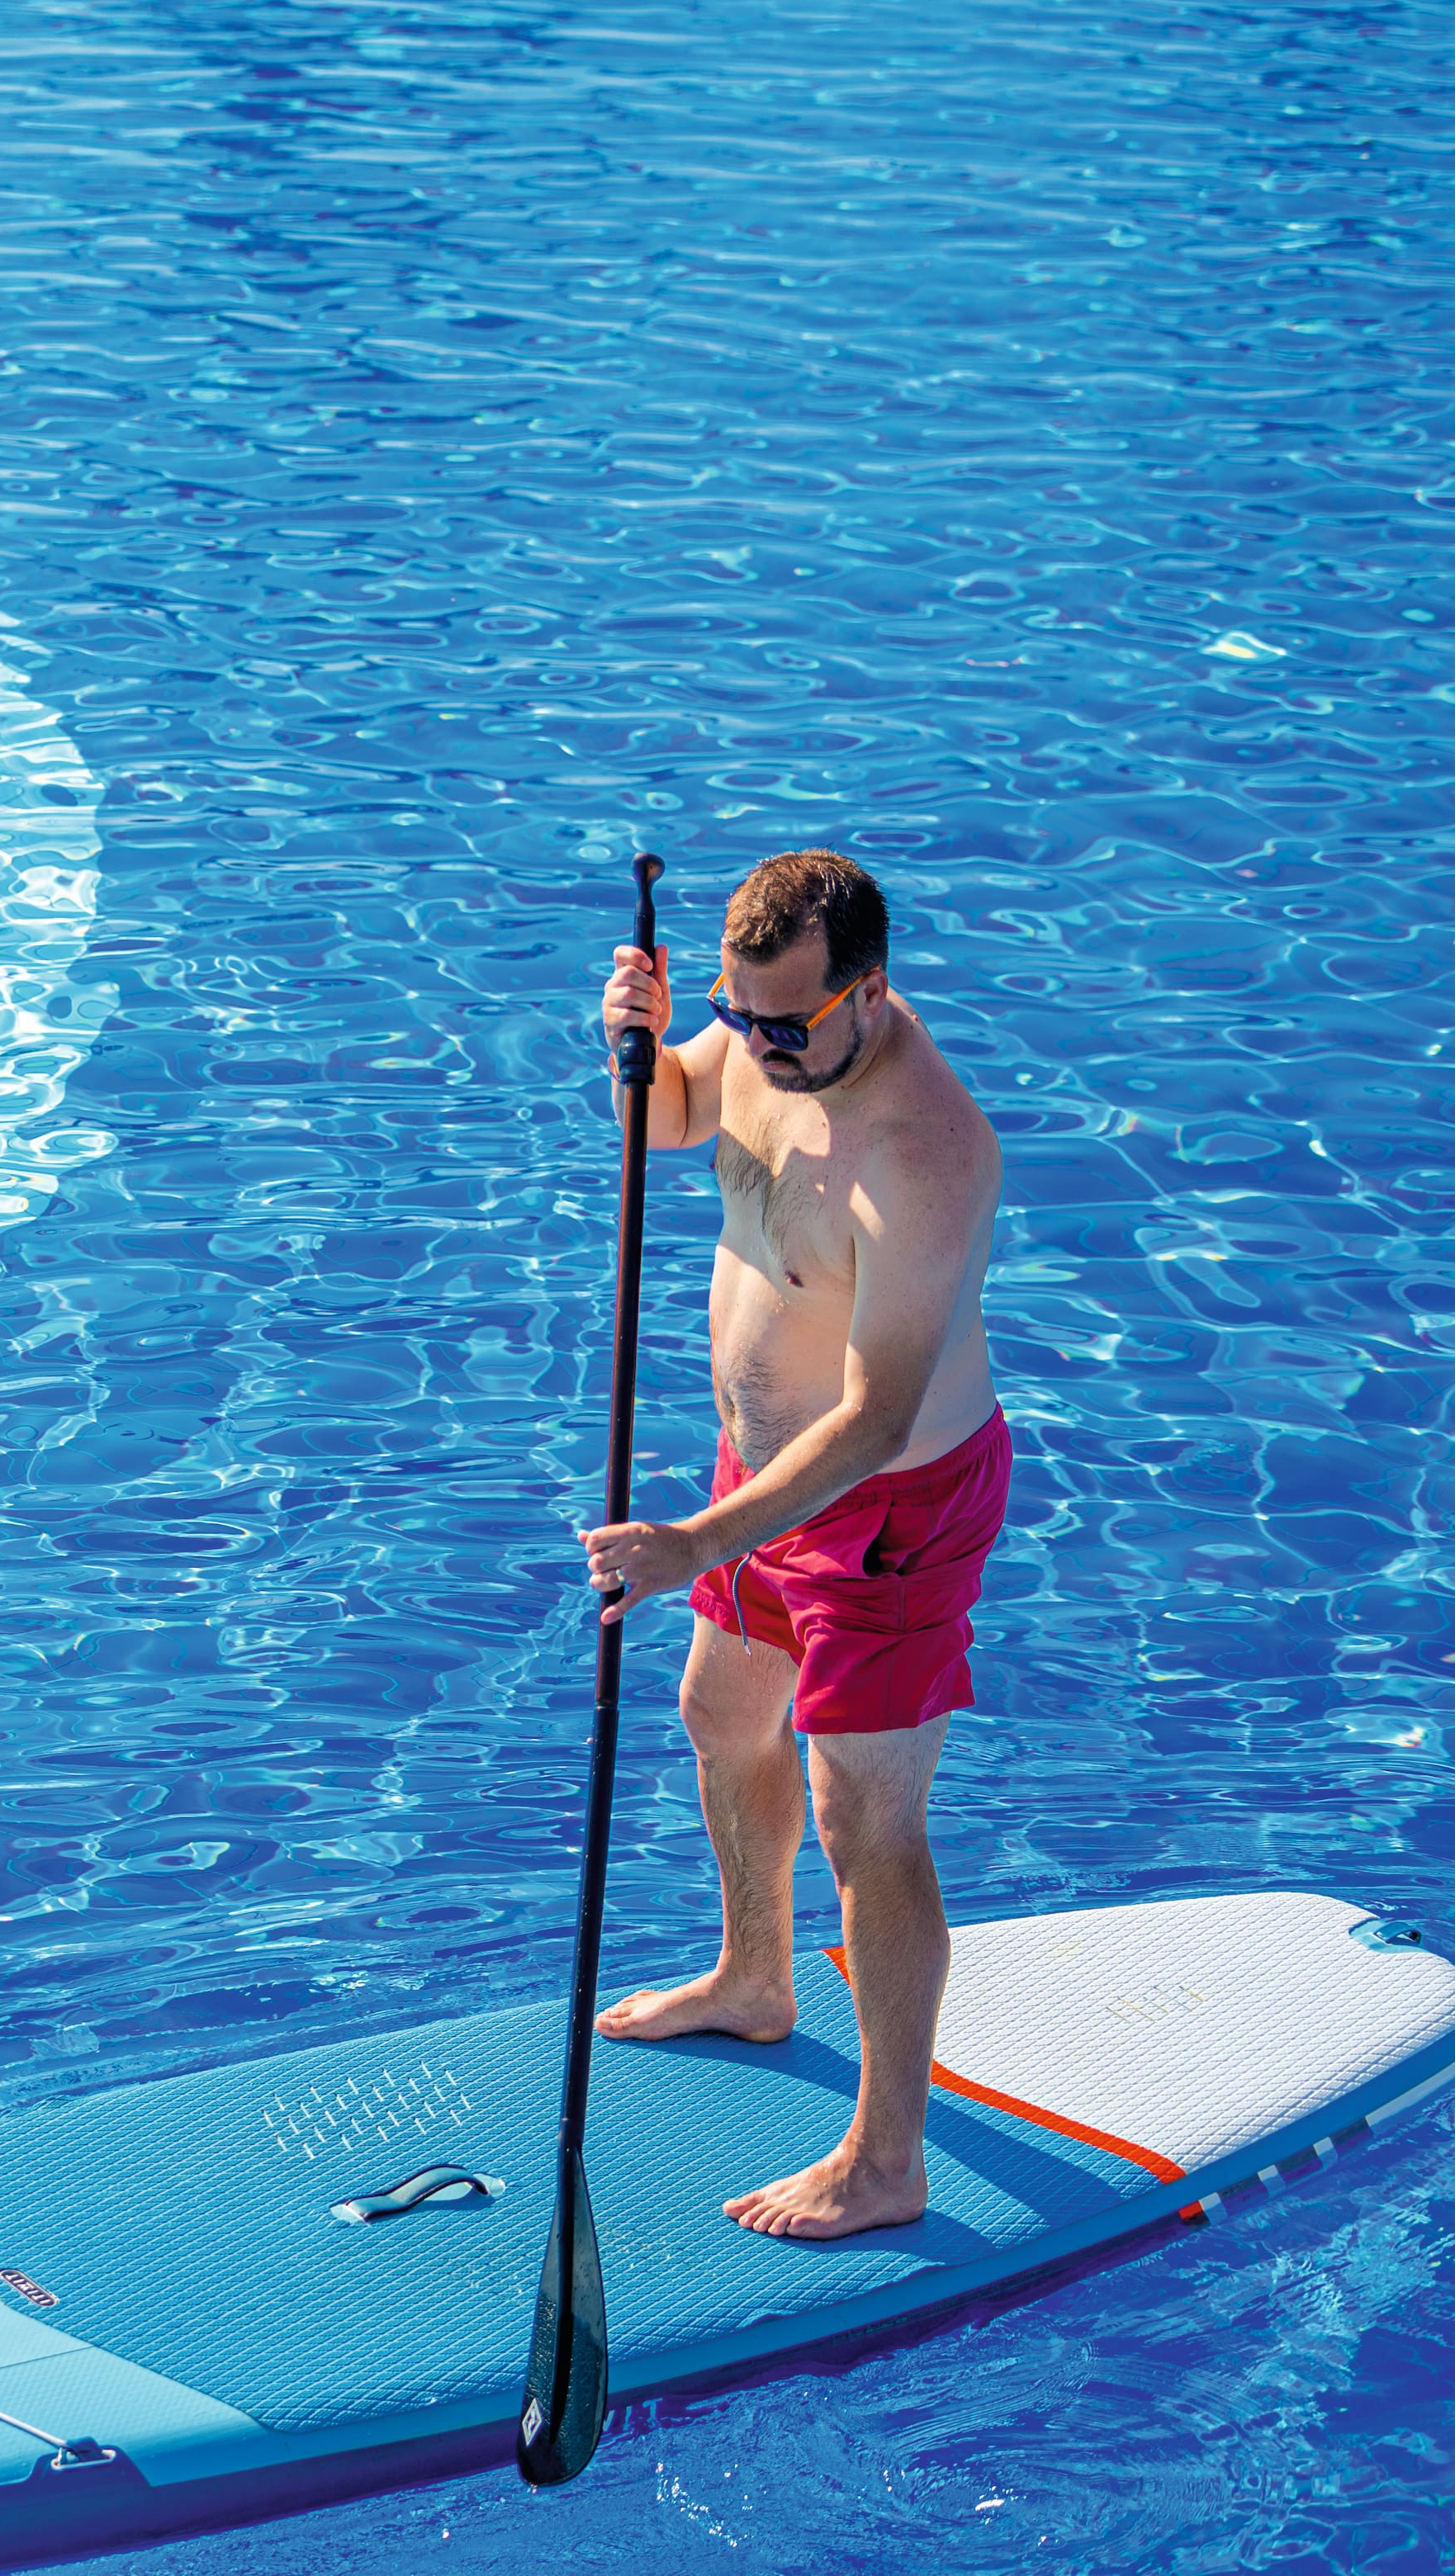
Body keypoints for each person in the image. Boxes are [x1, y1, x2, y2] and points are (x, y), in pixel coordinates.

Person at [575, 849, 1008, 2241]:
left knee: (864, 1820)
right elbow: (680, 1114)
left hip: (886, 1509)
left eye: (782, 1022)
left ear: (867, 991)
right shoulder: (772, 1035)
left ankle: (888, 2159)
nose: (755, 1043)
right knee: (719, 1712)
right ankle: (757, 1978)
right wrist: (637, 1049)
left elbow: (878, 1419)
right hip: (760, 1478)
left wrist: (693, 1539)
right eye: (738, 1012)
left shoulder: (923, 1148)